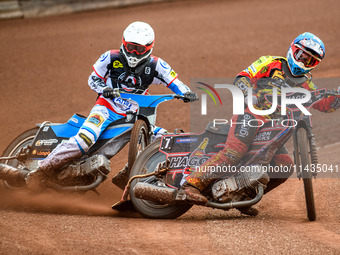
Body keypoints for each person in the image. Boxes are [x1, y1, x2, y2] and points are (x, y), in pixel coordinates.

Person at [178, 32, 340, 215]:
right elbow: (242, 77)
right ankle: (191, 185)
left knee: (285, 167)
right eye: (301, 55)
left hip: (274, 128)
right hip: (251, 115)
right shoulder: (270, 63)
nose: (303, 62)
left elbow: (325, 104)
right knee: (234, 152)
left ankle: (244, 197)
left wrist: (338, 97)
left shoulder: (307, 85)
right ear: (292, 50)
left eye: (310, 61)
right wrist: (249, 93)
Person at [26, 21, 197, 190]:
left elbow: (175, 82)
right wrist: (104, 89)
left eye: (139, 49)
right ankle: (42, 170)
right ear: (123, 43)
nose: (133, 53)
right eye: (130, 47)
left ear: (149, 48)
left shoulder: (156, 65)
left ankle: (129, 174)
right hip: (106, 108)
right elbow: (92, 78)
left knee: (166, 140)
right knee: (86, 139)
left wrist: (186, 93)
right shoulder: (110, 57)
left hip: (136, 113)